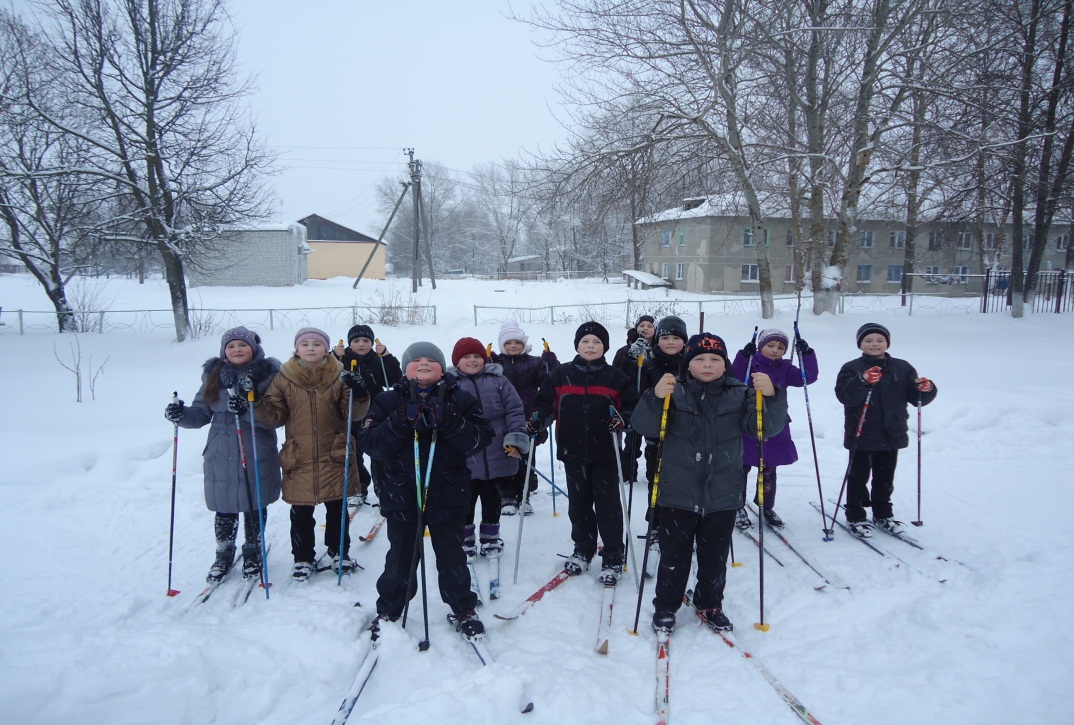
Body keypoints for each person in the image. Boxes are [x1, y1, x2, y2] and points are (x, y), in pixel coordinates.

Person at [631, 333, 788, 634]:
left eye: (714, 359)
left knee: (714, 558)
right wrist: (654, 397)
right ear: (688, 364)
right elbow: (644, 426)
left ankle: (709, 603)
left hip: (722, 494)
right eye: (699, 359)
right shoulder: (674, 392)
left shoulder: (739, 394)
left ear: (724, 363)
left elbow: (765, 428)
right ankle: (666, 606)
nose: (707, 365)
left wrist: (772, 397)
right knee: (673, 558)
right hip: (677, 492)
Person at [359, 341, 494, 639]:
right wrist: (400, 420)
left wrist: (449, 420)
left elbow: (480, 438)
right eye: (415, 360)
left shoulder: (461, 399)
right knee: (400, 558)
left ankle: (462, 607)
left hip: (447, 494)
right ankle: (390, 608)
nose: (423, 364)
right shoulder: (386, 401)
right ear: (405, 369)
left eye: (430, 361)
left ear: (442, 368)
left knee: (452, 557)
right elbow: (371, 444)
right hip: (402, 494)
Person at [164, 327, 282, 583]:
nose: (237, 350)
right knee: (224, 506)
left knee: (254, 504)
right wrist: (181, 414)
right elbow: (201, 412)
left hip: (255, 448)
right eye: (231, 346)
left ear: (254, 348)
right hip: (220, 450)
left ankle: (253, 552)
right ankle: (223, 553)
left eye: (242, 345)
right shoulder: (213, 374)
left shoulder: (270, 375)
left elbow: (276, 416)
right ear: (223, 350)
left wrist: (247, 409)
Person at [255, 327, 370, 581]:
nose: (310, 348)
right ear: (297, 349)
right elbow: (274, 416)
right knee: (300, 512)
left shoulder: (340, 376)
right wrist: (255, 401)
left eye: (316, 344)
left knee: (337, 509)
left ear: (326, 349)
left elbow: (352, 414)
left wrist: (360, 394)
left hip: (334, 453)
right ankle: (302, 557)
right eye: (304, 344)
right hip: (300, 456)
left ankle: (339, 551)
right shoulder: (283, 378)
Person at [531, 321, 638, 586]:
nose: (590, 346)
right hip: (572, 450)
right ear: (577, 345)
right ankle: (583, 548)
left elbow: (633, 407)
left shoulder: (616, 377)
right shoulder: (560, 375)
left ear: (605, 347)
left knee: (608, 507)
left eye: (597, 342)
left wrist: (622, 419)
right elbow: (545, 405)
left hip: (606, 452)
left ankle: (613, 555)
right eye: (585, 342)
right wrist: (537, 418)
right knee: (578, 506)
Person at [834, 323, 938, 538]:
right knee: (858, 477)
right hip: (861, 433)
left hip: (892, 433)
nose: (874, 344)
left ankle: (883, 513)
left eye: (880, 340)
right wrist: (862, 381)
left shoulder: (902, 367)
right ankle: (856, 514)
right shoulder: (851, 367)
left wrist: (925, 389)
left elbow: (916, 397)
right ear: (860, 344)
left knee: (885, 478)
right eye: (869, 340)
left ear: (887, 343)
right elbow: (845, 396)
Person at [449, 337, 529, 561]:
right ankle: (465, 538)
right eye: (467, 357)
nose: (472, 360)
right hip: (465, 453)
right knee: (464, 500)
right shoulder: (450, 385)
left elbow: (515, 411)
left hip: (497, 449)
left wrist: (515, 440)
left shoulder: (499, 381)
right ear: (457, 361)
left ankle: (490, 537)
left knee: (492, 498)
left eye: (477, 356)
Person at [730, 328, 818, 530]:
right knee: (740, 468)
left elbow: (807, 378)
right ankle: (737, 506)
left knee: (769, 468)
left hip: (775, 425)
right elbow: (734, 375)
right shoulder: (752, 362)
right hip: (748, 422)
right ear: (761, 346)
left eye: (781, 347)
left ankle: (766, 506)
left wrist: (807, 354)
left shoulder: (786, 369)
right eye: (770, 345)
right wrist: (744, 355)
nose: (775, 350)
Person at [489, 318, 559, 515]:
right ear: (502, 344)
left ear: (523, 344)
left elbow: (548, 381)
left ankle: (524, 494)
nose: (513, 346)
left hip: (528, 416)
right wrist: (488, 363)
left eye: (517, 343)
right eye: (508, 343)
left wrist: (550, 363)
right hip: (501, 416)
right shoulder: (496, 363)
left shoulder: (535, 362)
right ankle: (507, 495)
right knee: (504, 456)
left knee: (526, 455)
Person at [332, 324, 403, 506]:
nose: (361, 344)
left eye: (366, 340)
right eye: (356, 341)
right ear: (349, 343)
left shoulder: (377, 359)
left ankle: (383, 490)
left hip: (375, 411)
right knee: (353, 453)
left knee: (379, 452)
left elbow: (395, 378)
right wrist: (332, 356)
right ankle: (357, 488)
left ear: (372, 342)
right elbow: (325, 376)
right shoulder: (341, 359)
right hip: (349, 412)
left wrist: (387, 356)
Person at [637, 316, 689, 534]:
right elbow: (640, 398)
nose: (670, 342)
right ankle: (656, 522)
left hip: (685, 435)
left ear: (684, 341)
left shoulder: (691, 365)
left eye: (676, 338)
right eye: (665, 337)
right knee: (656, 480)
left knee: (683, 481)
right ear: (657, 339)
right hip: (657, 436)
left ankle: (681, 521)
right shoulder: (649, 365)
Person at [612, 315, 656, 483]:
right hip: (631, 402)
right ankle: (627, 475)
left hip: (652, 403)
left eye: (649, 326)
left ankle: (653, 474)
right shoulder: (625, 351)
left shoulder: (659, 350)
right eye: (641, 325)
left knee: (653, 442)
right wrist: (630, 358)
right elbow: (616, 373)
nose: (645, 328)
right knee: (631, 442)